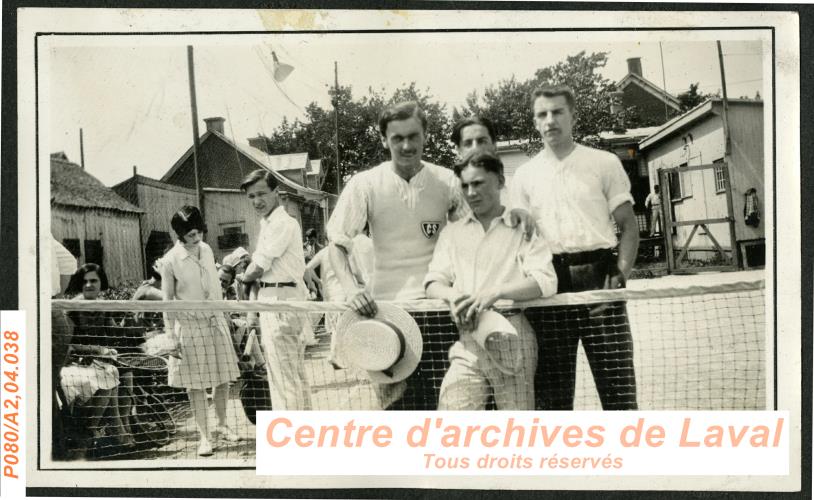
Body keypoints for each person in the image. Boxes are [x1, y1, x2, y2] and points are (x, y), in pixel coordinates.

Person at [326, 100, 470, 410]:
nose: (406, 145)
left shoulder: (448, 182)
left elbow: (472, 241)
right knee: (398, 414)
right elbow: (336, 244)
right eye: (397, 138)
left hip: (440, 314)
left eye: (413, 136)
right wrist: (352, 289)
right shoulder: (365, 184)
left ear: (426, 135)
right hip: (387, 317)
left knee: (448, 410)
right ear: (383, 139)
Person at [510, 84, 640, 411]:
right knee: (552, 400)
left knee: (618, 392)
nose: (550, 120)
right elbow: (518, 236)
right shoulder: (524, 175)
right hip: (550, 285)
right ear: (535, 121)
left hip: (599, 278)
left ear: (572, 116)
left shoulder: (604, 162)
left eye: (557, 112)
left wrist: (619, 276)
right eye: (542, 114)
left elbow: (628, 227)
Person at [425, 151, 558, 410]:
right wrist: (454, 297)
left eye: (478, 183)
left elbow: (545, 281)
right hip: (467, 340)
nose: (471, 192)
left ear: (499, 181)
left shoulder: (522, 227)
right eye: (465, 185)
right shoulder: (452, 233)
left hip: (512, 335)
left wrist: (496, 292)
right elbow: (433, 282)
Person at [161, 206, 241, 457]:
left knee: (223, 377)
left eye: (199, 233)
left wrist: (224, 316)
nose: (196, 239)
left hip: (215, 320)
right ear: (180, 234)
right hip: (190, 326)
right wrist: (171, 335)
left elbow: (214, 287)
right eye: (191, 235)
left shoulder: (206, 250)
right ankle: (204, 437)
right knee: (195, 385)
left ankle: (222, 425)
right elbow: (167, 299)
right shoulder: (170, 260)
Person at [236, 169, 312, 411]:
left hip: (281, 300)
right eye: (251, 197)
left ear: (276, 193)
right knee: (292, 375)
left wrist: (242, 275)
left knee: (284, 379)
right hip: (276, 298)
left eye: (261, 194)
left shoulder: (282, 222)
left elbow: (257, 267)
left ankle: (291, 439)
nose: (257, 201)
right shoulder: (268, 223)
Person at [61, 263, 136, 451]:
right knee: (111, 374)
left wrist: (128, 325)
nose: (89, 285)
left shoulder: (102, 305)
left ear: (101, 282)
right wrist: (96, 351)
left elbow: (113, 332)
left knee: (126, 374)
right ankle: (111, 430)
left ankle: (125, 426)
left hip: (98, 359)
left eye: (94, 280)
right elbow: (67, 345)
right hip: (77, 361)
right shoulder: (72, 308)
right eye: (85, 281)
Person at [305, 231, 373, 369]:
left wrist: (316, 283)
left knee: (336, 326)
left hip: (329, 294)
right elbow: (355, 272)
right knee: (341, 326)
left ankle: (340, 355)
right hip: (342, 293)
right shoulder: (346, 252)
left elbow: (306, 269)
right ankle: (335, 355)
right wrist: (362, 284)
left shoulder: (323, 252)